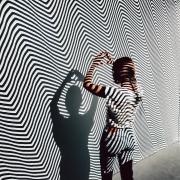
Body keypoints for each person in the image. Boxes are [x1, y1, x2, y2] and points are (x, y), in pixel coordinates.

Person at [83, 51, 143, 180]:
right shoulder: (139, 91)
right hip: (130, 137)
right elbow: (127, 72)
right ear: (133, 71)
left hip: (113, 137)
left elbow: (87, 84)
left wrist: (94, 64)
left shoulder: (113, 91)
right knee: (127, 176)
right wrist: (115, 63)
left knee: (107, 175)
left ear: (117, 72)